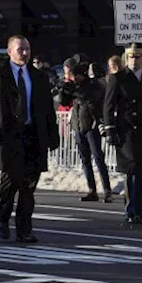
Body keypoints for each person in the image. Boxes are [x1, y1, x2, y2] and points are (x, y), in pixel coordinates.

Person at [0, 35, 59, 243]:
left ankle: (24, 229)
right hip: (8, 138)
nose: (24, 53)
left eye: (27, 49)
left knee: (29, 186)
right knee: (10, 182)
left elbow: (48, 109)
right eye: (20, 50)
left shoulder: (38, 77)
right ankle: (3, 216)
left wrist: (52, 135)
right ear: (9, 52)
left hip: (33, 136)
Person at [103, 43, 142, 225]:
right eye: (131, 57)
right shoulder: (119, 78)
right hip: (127, 130)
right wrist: (110, 129)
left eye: (137, 57)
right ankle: (131, 209)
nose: (134, 60)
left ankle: (140, 209)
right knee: (132, 170)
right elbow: (108, 106)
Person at [55, 55, 113, 203]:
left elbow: (91, 101)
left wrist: (75, 91)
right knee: (85, 160)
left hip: (91, 125)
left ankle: (107, 190)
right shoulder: (75, 87)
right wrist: (63, 90)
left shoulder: (93, 85)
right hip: (78, 125)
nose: (74, 78)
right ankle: (92, 189)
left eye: (76, 76)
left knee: (98, 157)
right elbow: (63, 101)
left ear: (83, 75)